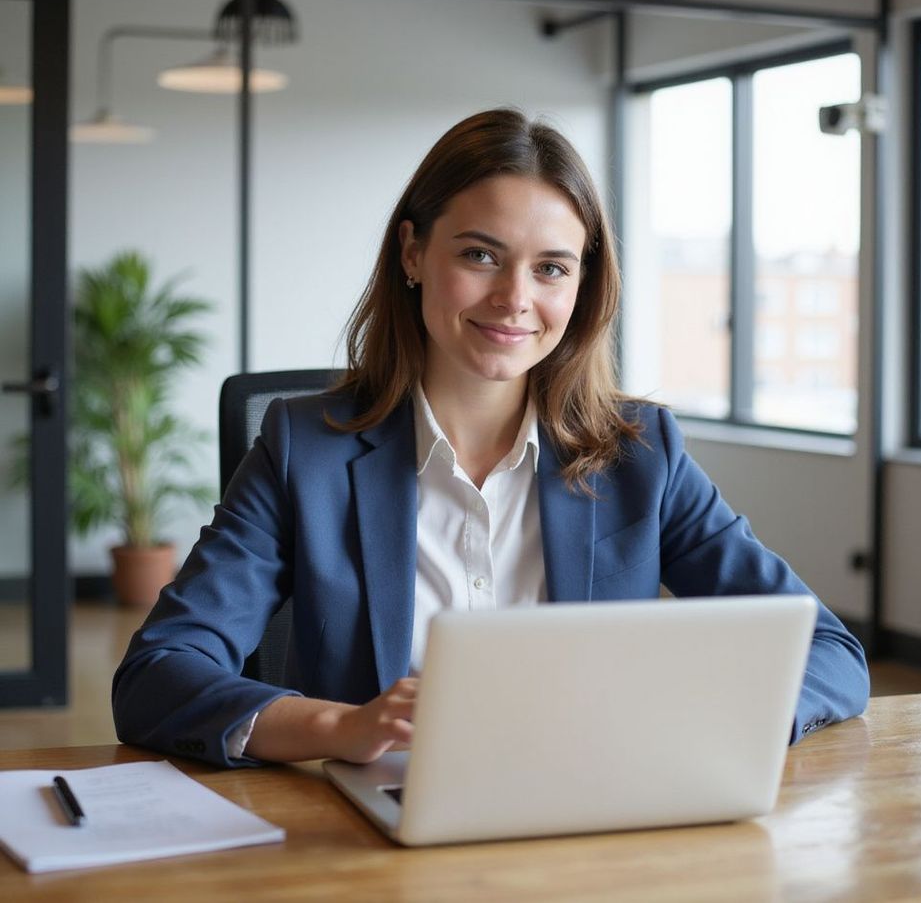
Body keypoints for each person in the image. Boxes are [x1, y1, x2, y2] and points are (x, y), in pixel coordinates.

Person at [112, 108, 870, 768]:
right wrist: (342, 726)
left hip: (592, 820)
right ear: (413, 253)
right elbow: (159, 673)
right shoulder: (302, 449)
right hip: (375, 832)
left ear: (581, 286)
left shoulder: (642, 454)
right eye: (480, 255)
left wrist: (703, 724)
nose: (515, 300)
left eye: (551, 269)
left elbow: (829, 654)